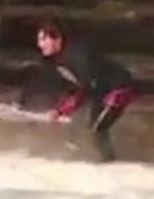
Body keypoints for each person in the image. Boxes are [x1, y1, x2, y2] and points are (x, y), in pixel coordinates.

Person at [33, 20, 134, 162]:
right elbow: (52, 84)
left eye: (44, 39)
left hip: (119, 87)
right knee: (93, 128)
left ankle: (110, 164)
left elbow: (84, 89)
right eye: (39, 40)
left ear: (57, 39)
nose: (40, 44)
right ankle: (105, 160)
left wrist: (61, 111)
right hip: (100, 90)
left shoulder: (78, 55)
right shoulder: (54, 60)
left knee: (97, 129)